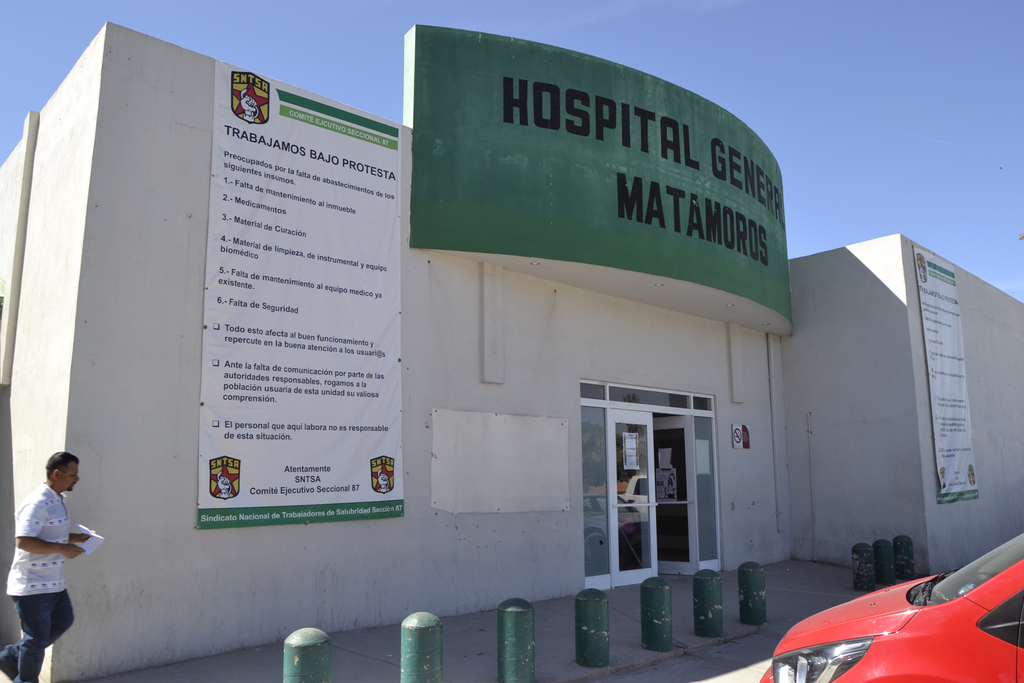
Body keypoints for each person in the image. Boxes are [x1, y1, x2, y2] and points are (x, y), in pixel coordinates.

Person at [0, 452, 91, 683]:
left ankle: (10, 656)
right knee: (36, 639)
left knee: (63, 621)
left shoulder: (57, 499)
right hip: (32, 585)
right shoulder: (36, 503)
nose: (77, 478)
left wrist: (77, 538)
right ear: (57, 474)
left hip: (54, 583)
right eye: (73, 474)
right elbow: (24, 541)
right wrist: (63, 549)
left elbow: (49, 535)